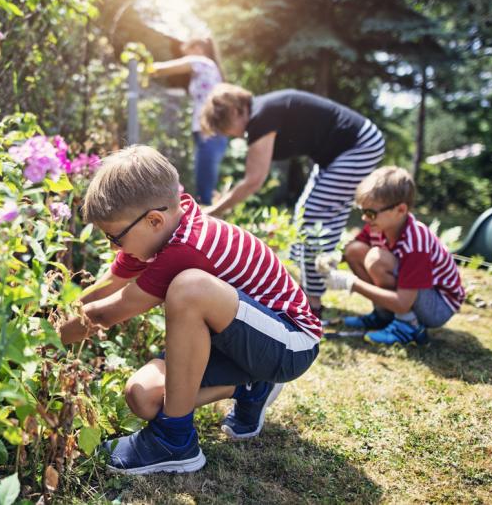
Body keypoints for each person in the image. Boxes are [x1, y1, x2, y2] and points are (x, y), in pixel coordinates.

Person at [57, 145, 321, 475]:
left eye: (115, 238)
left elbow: (105, 314)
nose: (113, 247)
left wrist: (43, 341)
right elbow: (107, 285)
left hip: (291, 344)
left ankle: (174, 440)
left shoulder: (189, 246)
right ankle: (253, 386)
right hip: (240, 342)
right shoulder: (165, 225)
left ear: (153, 220)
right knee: (142, 396)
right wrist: (58, 313)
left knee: (188, 288)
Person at [200, 84, 386, 318]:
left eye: (226, 128)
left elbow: (253, 180)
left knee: (313, 220)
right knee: (304, 216)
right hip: (339, 153)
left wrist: (212, 212)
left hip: (359, 145)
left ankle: (313, 303)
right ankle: (308, 291)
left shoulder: (261, 116)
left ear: (236, 111)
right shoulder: (263, 111)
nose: (233, 135)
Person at [321, 166, 466, 345]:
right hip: (416, 293)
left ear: (400, 210)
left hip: (438, 305)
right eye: (363, 211)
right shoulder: (379, 226)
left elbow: (403, 302)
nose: (365, 219)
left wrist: (352, 284)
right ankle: (384, 315)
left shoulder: (415, 243)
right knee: (354, 250)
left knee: (376, 260)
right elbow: (352, 251)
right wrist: (333, 259)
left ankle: (407, 326)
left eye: (371, 213)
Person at [151, 37, 228, 205]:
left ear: (199, 48)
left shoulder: (202, 61)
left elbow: (160, 69)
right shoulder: (210, 69)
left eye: (189, 51)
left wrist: (140, 65)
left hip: (210, 132)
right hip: (208, 130)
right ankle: (209, 218)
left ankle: (208, 224)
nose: (187, 56)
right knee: (205, 182)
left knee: (205, 187)